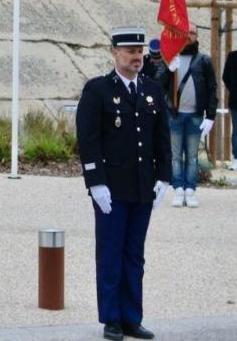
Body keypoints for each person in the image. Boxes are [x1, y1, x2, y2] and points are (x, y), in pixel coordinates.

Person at [76, 26, 171, 341]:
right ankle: (112, 318)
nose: (137, 57)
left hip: (143, 187)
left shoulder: (152, 90)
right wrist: (95, 182)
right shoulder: (98, 90)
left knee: (135, 254)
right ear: (115, 53)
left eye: (140, 51)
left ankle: (132, 317)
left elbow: (161, 139)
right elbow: (88, 141)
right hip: (111, 190)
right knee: (111, 252)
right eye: (130, 51)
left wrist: (164, 178)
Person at [155, 23, 217, 208]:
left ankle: (190, 190)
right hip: (174, 116)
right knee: (175, 155)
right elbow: (158, 84)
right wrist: (168, 68)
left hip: (196, 116)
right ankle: (178, 190)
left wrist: (210, 116)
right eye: (186, 32)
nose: (189, 35)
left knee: (191, 155)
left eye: (192, 32)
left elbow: (212, 89)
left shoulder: (204, 61)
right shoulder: (170, 58)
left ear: (197, 36)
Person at [222, 47, 237, 170]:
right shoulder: (232, 56)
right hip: (235, 100)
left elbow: (225, 77)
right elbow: (225, 76)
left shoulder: (232, 56)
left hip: (234, 98)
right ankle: (236, 158)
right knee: (236, 130)